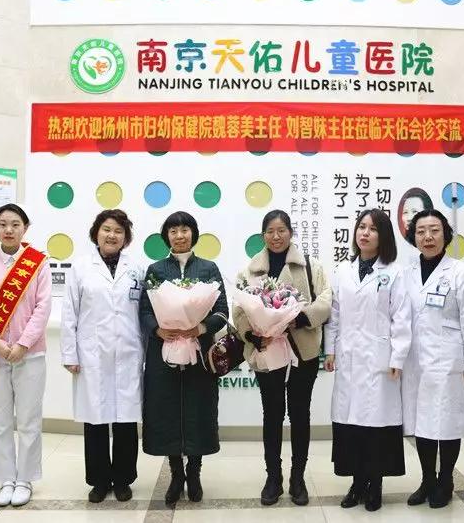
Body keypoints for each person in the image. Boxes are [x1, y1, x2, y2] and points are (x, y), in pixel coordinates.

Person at [233, 210, 332, 506]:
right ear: (263, 235)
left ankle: (297, 478)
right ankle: (273, 477)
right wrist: (252, 335)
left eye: (281, 230)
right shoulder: (250, 271)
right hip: (267, 352)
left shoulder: (311, 266)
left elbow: (326, 300)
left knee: (300, 414)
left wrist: (301, 318)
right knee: (272, 414)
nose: (276, 237)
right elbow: (239, 310)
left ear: (290, 232)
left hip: (303, 352)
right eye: (270, 231)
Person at [139, 211, 229, 508]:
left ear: (194, 233)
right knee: (167, 411)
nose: (179, 236)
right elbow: (145, 310)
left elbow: (222, 311)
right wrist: (158, 329)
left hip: (199, 352)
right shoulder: (155, 269)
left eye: (185, 230)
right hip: (164, 352)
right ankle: (176, 474)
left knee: (197, 410)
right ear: (166, 236)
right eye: (173, 231)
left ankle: (195, 472)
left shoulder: (208, 268)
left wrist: (199, 328)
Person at [324, 208, 412, 512]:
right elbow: (334, 314)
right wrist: (330, 350)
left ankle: (376, 484)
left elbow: (402, 318)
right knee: (351, 426)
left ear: (383, 236)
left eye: (373, 229)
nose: (365, 233)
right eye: (362, 226)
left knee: (376, 426)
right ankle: (357, 483)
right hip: (349, 358)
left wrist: (398, 357)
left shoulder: (394, 272)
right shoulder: (343, 270)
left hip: (381, 361)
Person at [0, 204, 51, 508]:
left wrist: (23, 344)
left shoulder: (38, 263)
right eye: (2, 224)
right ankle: (5, 479)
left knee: (28, 421)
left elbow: (43, 307)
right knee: (0, 422)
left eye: (15, 224)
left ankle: (25, 479)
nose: (8, 229)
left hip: (30, 355)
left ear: (25, 228)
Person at [61, 209, 146, 503]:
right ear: (96, 233)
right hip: (92, 355)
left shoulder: (136, 269)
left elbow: (144, 312)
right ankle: (98, 481)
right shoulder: (81, 267)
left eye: (119, 231)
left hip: (128, 352)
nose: (112, 235)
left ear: (126, 237)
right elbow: (70, 312)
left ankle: (123, 480)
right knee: (95, 420)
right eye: (107, 229)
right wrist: (70, 353)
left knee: (126, 420)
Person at [401, 209, 464, 508]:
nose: (428, 237)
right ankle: (427, 480)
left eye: (434, 230)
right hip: (415, 360)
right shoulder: (406, 273)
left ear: (446, 235)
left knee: (447, 422)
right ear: (414, 237)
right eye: (421, 231)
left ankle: (445, 479)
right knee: (422, 422)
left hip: (450, 360)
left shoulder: (462, 272)